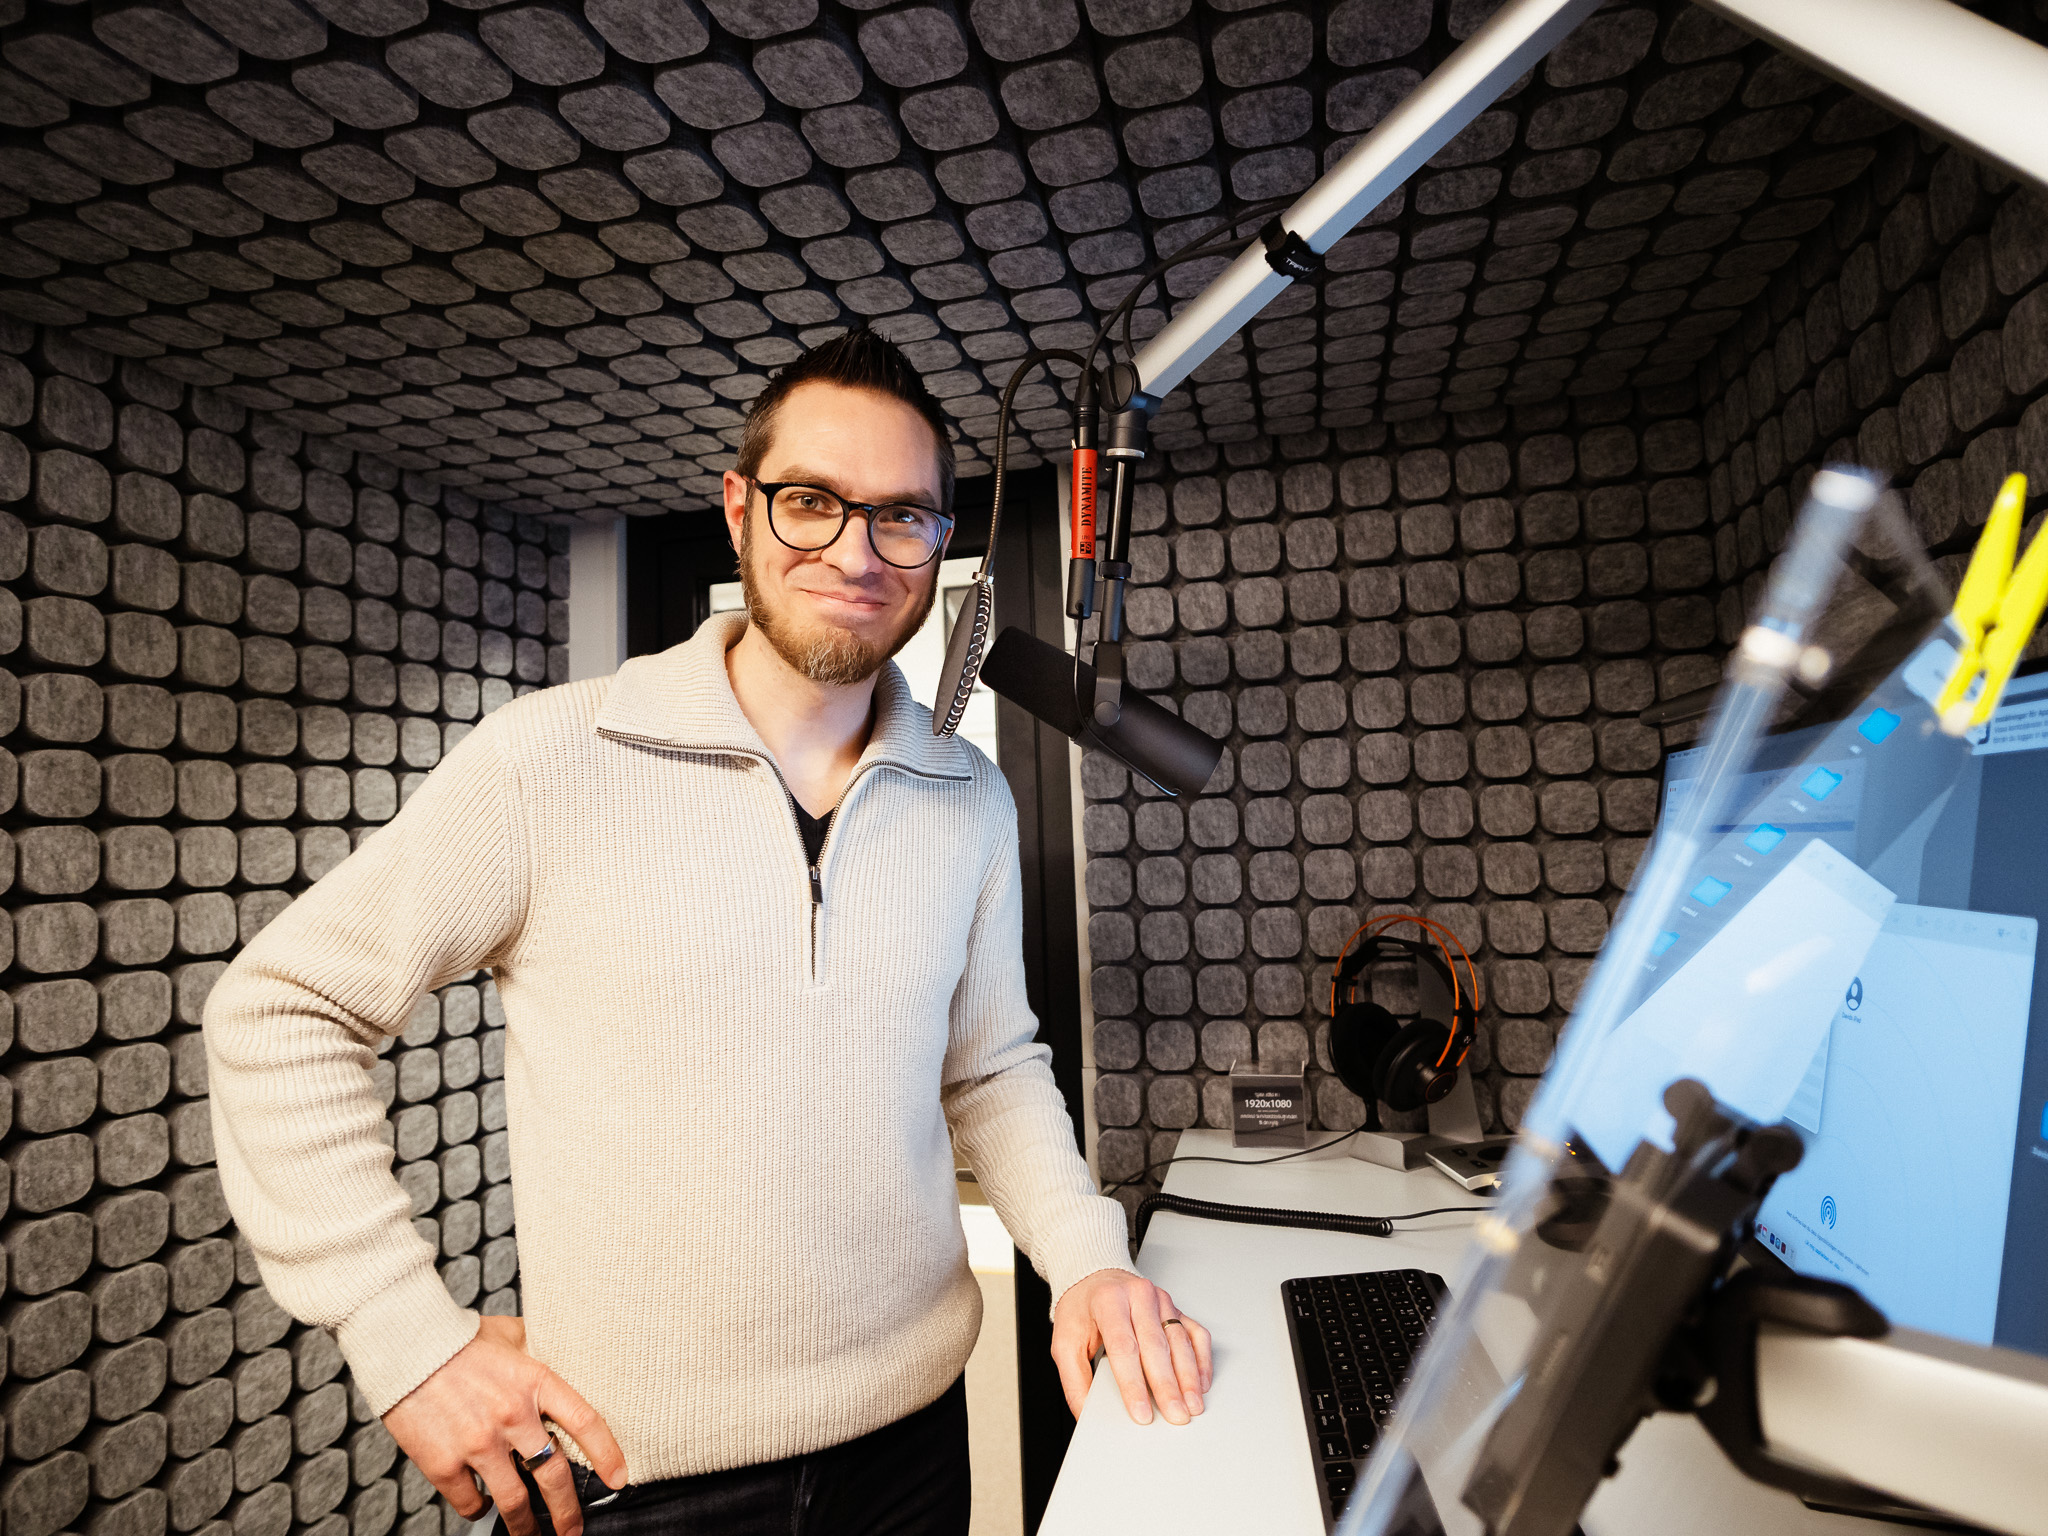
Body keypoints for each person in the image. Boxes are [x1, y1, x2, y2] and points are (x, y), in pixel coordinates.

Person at [203, 328, 1213, 1536]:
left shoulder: (969, 798)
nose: (856, 553)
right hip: (638, 1475)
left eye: (900, 517)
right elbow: (281, 1013)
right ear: (739, 507)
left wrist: (1089, 1257)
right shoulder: (545, 761)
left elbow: (988, 1068)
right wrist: (405, 1339)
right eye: (810, 503)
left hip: (913, 1441)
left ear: (941, 541)